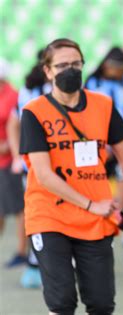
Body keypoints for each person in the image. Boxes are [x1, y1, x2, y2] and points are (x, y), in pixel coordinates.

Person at [19, 38, 123, 314]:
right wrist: (91, 204)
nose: (70, 70)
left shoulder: (102, 105)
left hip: (96, 218)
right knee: (62, 301)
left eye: (76, 64)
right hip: (50, 215)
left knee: (102, 303)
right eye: (62, 65)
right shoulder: (34, 112)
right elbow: (43, 175)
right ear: (48, 71)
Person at [86, 47, 123, 277]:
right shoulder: (91, 85)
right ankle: (101, 246)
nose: (122, 72)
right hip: (98, 152)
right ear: (107, 66)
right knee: (99, 202)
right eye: (118, 68)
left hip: (122, 150)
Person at [7, 50, 51, 288]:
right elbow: (14, 123)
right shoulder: (29, 91)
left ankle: (41, 263)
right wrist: (17, 155)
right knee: (37, 213)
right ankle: (37, 263)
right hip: (36, 166)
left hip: (52, 166)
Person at [0, 58, 28, 269]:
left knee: (19, 209)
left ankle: (22, 251)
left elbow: (16, 128)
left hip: (9, 162)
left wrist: (8, 147)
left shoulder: (13, 96)